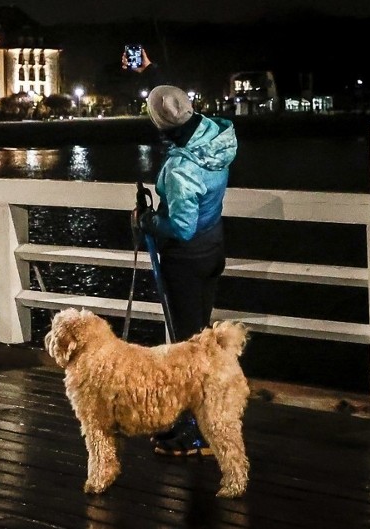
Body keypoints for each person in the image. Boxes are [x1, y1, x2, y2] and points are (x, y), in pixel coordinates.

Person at [124, 47, 239, 456]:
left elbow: (182, 227)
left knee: (188, 348)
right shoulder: (216, 138)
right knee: (201, 342)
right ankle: (199, 422)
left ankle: (196, 431)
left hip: (186, 261)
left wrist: (147, 221)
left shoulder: (179, 169)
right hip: (214, 251)